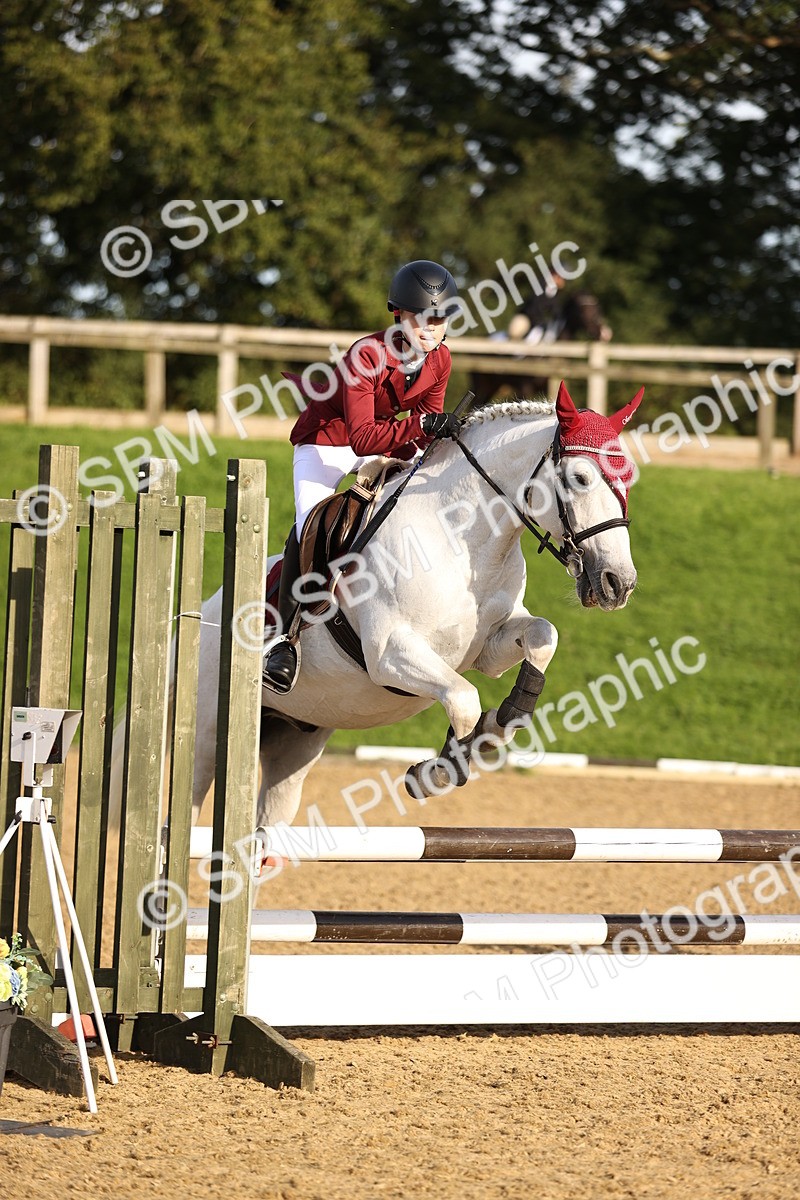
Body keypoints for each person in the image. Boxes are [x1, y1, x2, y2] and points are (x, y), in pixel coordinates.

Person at [262, 259, 462, 693]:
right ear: (399, 315)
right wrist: (424, 428)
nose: (431, 329)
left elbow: (424, 427)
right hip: (327, 444)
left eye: (440, 319)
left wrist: (436, 438)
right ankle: (285, 640)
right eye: (421, 318)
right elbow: (364, 437)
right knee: (310, 526)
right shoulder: (366, 355)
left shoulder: (440, 360)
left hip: (384, 440)